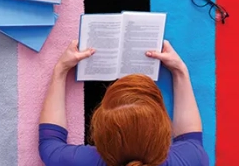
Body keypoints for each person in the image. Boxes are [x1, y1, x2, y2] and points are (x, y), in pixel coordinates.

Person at [38, 40, 208, 166]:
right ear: (163, 130)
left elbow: (50, 143)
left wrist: (61, 69)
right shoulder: (190, 158)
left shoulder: (83, 161)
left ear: (100, 133)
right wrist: (180, 71)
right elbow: (191, 139)